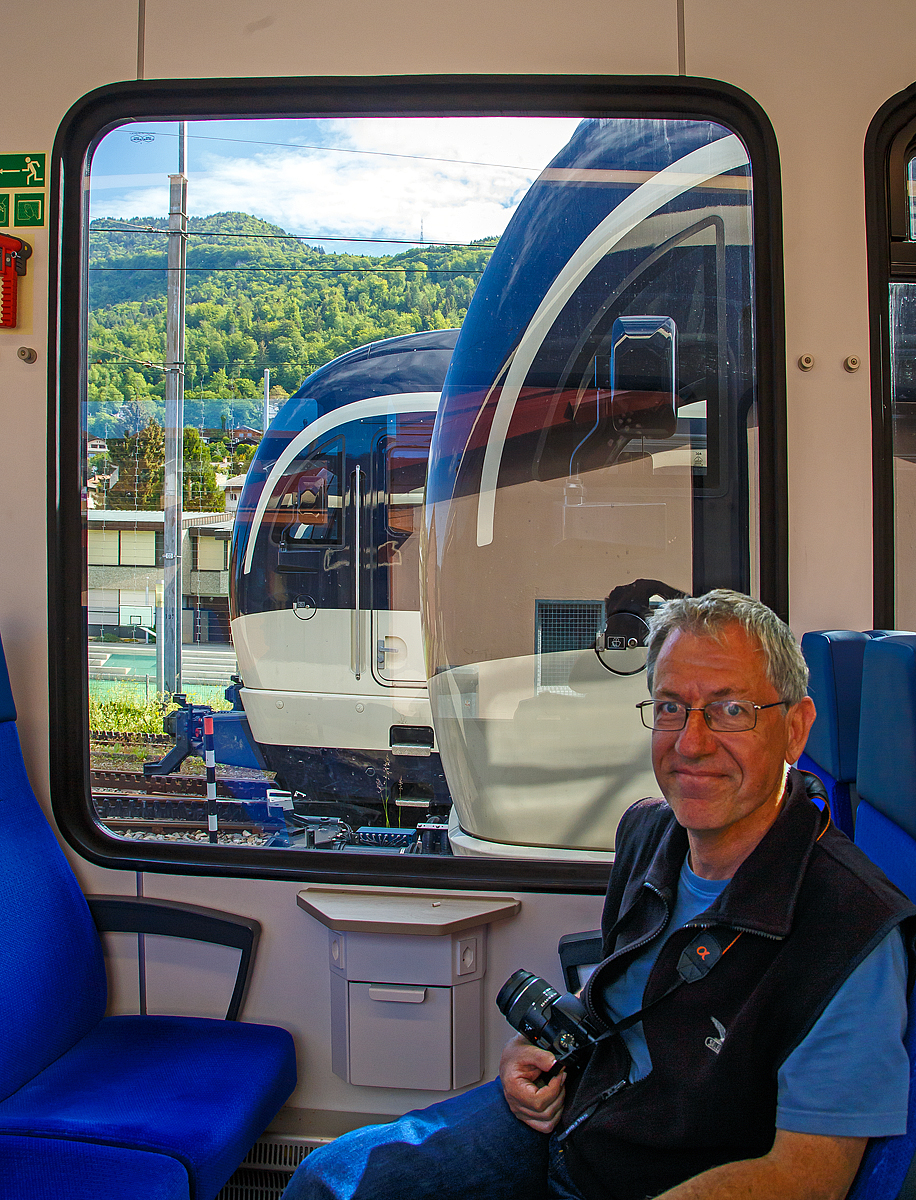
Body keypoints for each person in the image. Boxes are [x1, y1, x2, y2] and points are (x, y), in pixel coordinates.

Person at [283, 590, 915, 1200]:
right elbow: (629, 993)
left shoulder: (851, 929)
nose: (691, 743)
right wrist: (534, 1049)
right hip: (575, 1110)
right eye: (671, 708)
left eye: (730, 711)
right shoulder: (649, 834)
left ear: (795, 728)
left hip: (666, 1172)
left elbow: (806, 1177)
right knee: (325, 1181)